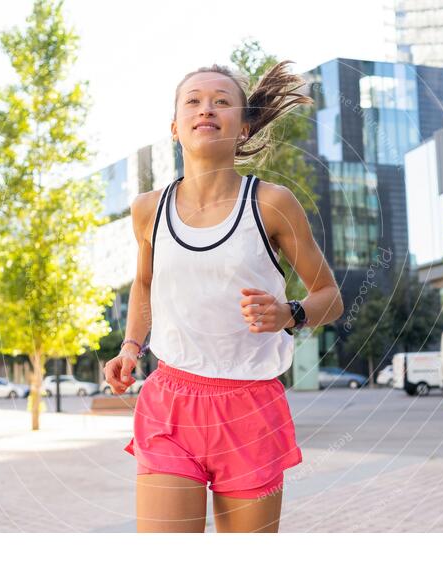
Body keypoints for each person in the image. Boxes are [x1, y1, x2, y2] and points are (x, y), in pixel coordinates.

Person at [104, 60, 343, 533]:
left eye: (221, 100)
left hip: (250, 408)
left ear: (244, 125)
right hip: (170, 403)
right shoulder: (148, 209)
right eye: (192, 100)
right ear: (175, 127)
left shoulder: (272, 203)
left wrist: (288, 313)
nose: (205, 108)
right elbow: (146, 283)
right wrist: (131, 346)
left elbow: (329, 296)